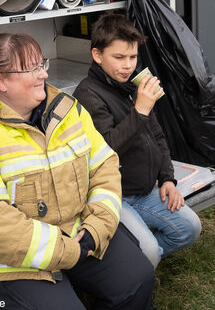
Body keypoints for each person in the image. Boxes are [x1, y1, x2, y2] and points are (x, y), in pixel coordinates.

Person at [0, 33, 155, 309]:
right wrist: (66, 249)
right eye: (32, 69)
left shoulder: (68, 109)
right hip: (19, 261)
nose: (44, 74)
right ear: (2, 81)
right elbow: (5, 228)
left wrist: (97, 228)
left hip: (82, 233)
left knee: (138, 279)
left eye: (42, 64)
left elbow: (105, 167)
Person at [73, 13, 202, 269]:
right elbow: (107, 148)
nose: (128, 65)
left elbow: (157, 136)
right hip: (113, 196)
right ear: (97, 55)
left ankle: (135, 262)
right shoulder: (87, 95)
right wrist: (140, 110)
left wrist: (167, 178)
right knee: (148, 252)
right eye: (119, 57)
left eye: (132, 57)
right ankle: (135, 264)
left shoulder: (133, 86)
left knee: (190, 228)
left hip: (144, 191)